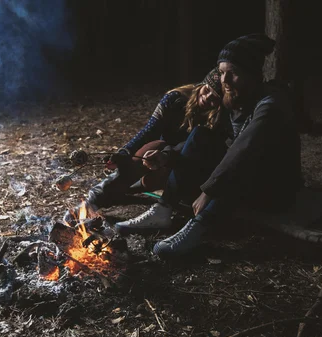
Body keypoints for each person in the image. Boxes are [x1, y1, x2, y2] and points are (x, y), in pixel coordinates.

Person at [115, 34, 303, 258]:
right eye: (221, 72)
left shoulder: (270, 105)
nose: (224, 80)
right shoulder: (235, 100)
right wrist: (167, 156)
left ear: (251, 74)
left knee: (242, 166)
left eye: (232, 73)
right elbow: (206, 147)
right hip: (244, 177)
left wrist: (209, 189)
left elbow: (244, 151)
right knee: (201, 135)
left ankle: (199, 228)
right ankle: (163, 210)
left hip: (275, 188)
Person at [63, 68, 225, 224]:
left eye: (215, 97)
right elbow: (149, 131)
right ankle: (94, 199)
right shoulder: (175, 99)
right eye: (207, 90)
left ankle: (135, 190)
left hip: (186, 166)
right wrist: (125, 152)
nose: (208, 97)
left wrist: (167, 157)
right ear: (201, 85)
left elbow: (197, 151)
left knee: (153, 175)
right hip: (160, 155)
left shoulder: (219, 117)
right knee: (151, 150)